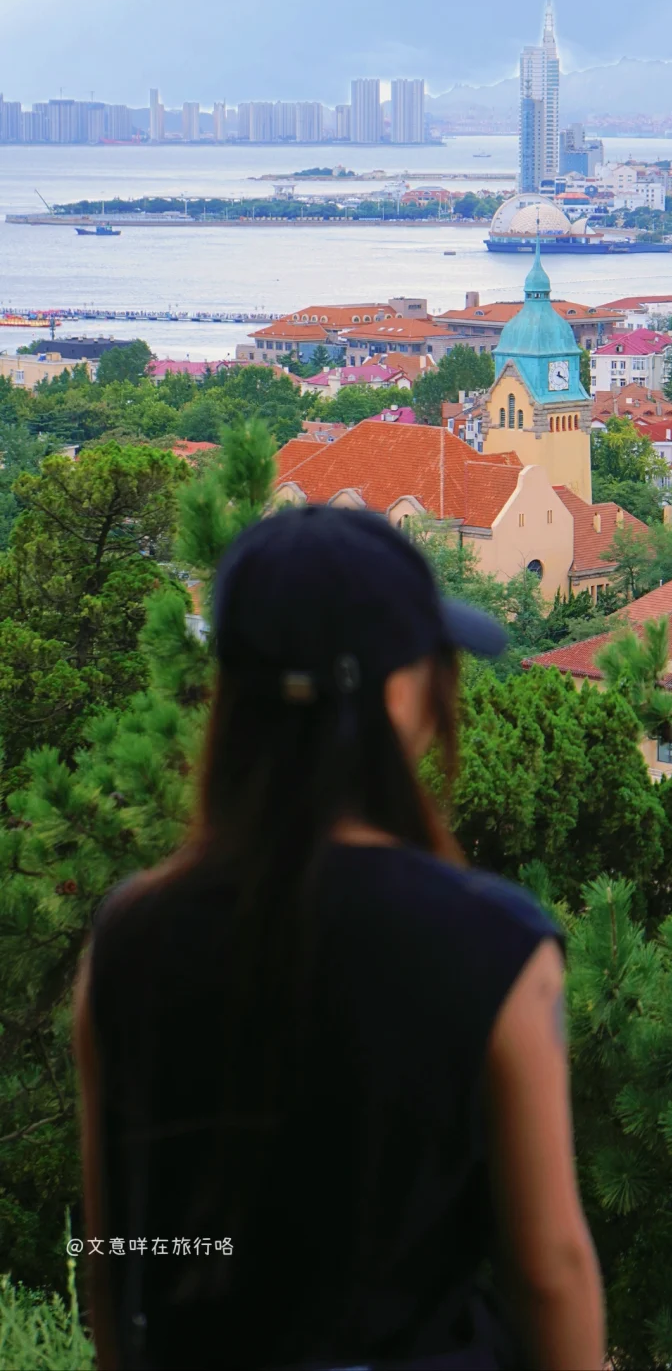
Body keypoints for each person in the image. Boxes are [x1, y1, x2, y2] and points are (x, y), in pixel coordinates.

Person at [74, 506, 605, 1371]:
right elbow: (551, 1270)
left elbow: (117, 1258)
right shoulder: (494, 945)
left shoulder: (128, 940)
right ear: (396, 693)